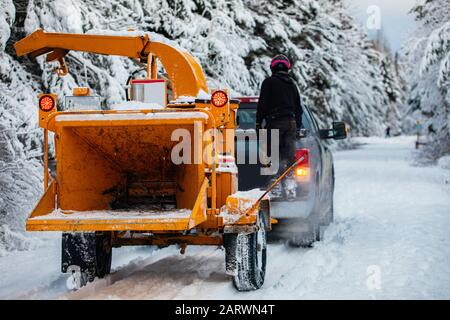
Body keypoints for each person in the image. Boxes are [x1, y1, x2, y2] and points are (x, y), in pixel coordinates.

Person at [256, 54, 303, 199]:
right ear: (287, 69)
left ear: (273, 68)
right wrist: (298, 127)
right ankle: (290, 187)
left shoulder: (269, 83)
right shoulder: (292, 84)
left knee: (273, 156)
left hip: (275, 123)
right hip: (291, 124)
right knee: (289, 156)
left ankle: (275, 188)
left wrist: (258, 123)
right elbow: (298, 109)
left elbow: (262, 105)